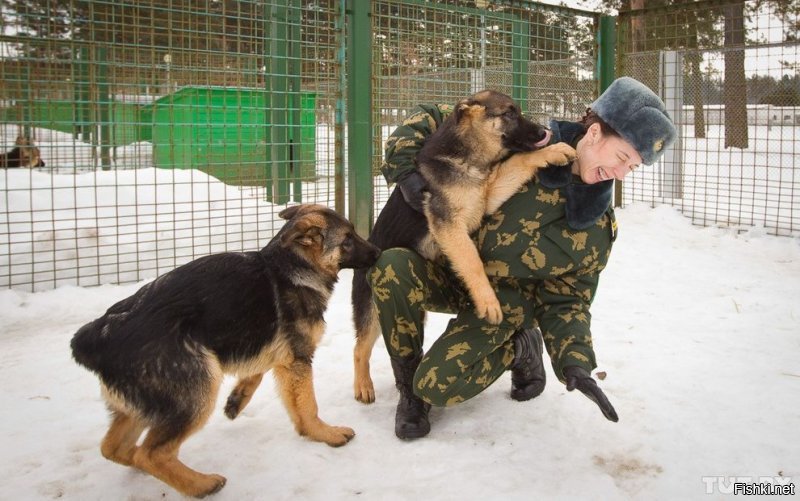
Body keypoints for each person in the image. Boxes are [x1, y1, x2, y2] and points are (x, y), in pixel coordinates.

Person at [368, 76, 677, 439]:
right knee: (391, 267)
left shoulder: (594, 225)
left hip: (503, 303)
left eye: (633, 167)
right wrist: (405, 172)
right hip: (452, 271)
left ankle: (519, 348)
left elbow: (569, 300)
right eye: (623, 157)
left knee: (438, 385)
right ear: (594, 134)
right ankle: (408, 390)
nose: (622, 174)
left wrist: (575, 363)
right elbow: (437, 116)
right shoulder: (524, 139)